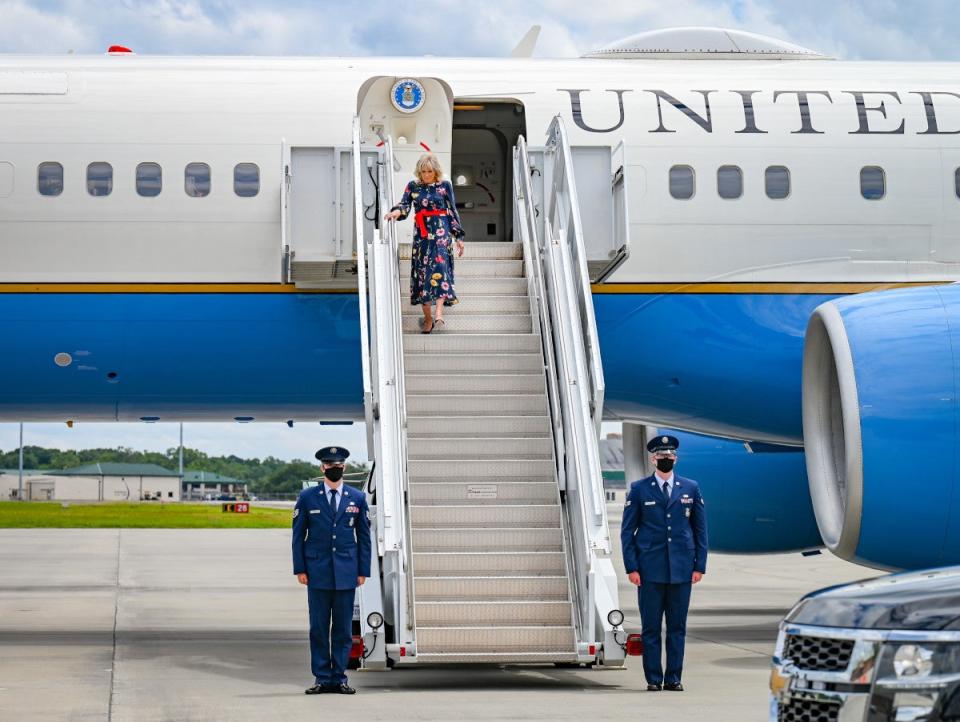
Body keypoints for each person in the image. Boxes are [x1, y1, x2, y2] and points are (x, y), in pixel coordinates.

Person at [620, 435, 708, 692]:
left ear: (675, 458)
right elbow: (627, 532)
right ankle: (653, 679)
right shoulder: (639, 489)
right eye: (661, 456)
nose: (666, 459)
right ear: (652, 459)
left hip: (682, 569)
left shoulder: (690, 488)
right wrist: (632, 567)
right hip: (649, 571)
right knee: (650, 628)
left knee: (677, 628)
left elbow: (700, 530)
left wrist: (699, 565)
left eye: (669, 456)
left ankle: (674, 678)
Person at [292, 446, 371, 695]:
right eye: (329, 465)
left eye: (338, 465)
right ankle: (322, 678)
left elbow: (365, 537)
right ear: (322, 468)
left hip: (347, 573)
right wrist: (300, 568)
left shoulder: (357, 498)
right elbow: (298, 536)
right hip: (317, 573)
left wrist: (363, 570)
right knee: (318, 628)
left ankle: (339, 678)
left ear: (344, 467)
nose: (334, 468)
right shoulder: (307, 497)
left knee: (343, 630)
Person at [384, 154, 465, 334]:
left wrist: (458, 237)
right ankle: (427, 319)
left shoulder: (445, 186)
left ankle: (438, 313)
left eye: (429, 171)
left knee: (441, 269)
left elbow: (452, 210)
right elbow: (404, 204)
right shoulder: (413, 186)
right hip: (422, 236)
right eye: (423, 171)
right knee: (423, 276)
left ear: (435, 171)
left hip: (441, 234)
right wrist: (396, 213)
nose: (426, 175)